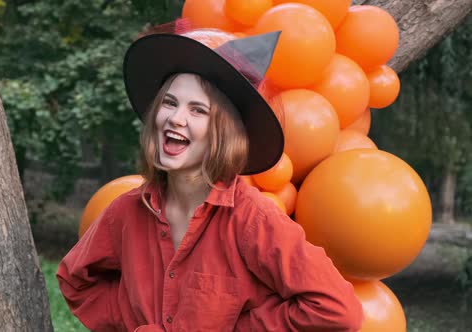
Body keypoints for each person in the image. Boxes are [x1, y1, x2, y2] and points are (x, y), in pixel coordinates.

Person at [57, 22, 364, 332]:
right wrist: (133, 322)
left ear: (223, 133)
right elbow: (75, 281)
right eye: (170, 103)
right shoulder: (127, 212)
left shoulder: (253, 220)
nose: (176, 119)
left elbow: (337, 310)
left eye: (198, 110)